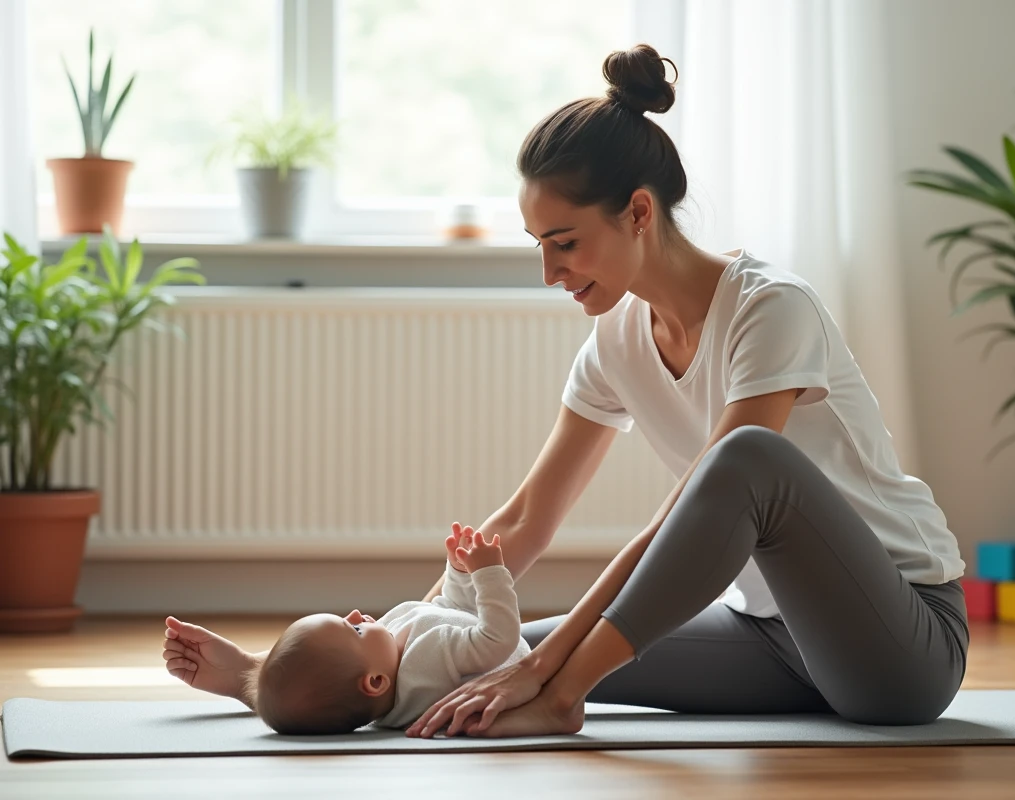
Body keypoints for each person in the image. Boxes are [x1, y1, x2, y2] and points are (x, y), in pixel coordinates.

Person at [166, 41, 967, 739]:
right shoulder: (616, 341)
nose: (549, 273)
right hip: (771, 640)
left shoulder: (770, 309)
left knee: (741, 464)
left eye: (565, 243)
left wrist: (558, 672)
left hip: (900, 646)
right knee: (485, 660)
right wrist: (391, 648)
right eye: (537, 246)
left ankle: (562, 697)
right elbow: (524, 518)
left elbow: (700, 504)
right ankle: (256, 679)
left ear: (639, 213)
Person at [162, 525, 529, 734]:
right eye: (352, 630)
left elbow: (450, 609)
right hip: (526, 668)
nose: (355, 615)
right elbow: (497, 638)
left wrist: (458, 574)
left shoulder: (387, 650)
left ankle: (250, 679)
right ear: (374, 682)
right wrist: (488, 575)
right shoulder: (425, 664)